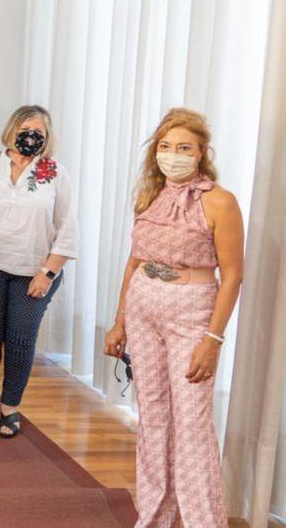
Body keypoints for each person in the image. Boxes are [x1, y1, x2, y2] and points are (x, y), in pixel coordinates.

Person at [103, 108, 241, 527]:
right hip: (144, 306)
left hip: (191, 311)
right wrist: (120, 320)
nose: (173, 155)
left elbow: (233, 273)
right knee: (154, 419)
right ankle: (154, 517)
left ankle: (203, 521)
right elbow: (134, 261)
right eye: (165, 147)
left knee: (193, 427)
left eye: (183, 147)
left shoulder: (220, 201)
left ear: (201, 153)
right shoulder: (150, 195)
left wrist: (212, 340)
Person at [0, 105, 78, 438]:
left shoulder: (54, 172)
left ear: (48, 138)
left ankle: (10, 408)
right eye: (26, 129)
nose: (32, 136)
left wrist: (47, 273)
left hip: (34, 272)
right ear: (12, 130)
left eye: (40, 132)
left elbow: (67, 228)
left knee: (20, 341)